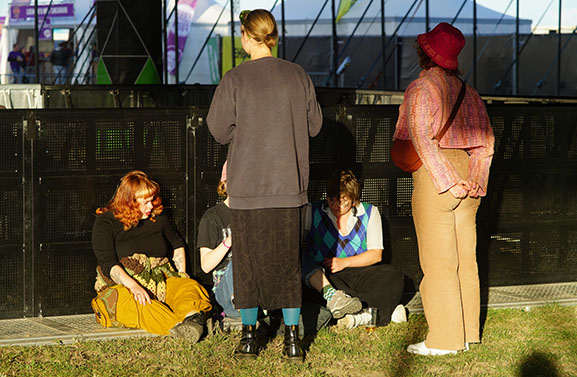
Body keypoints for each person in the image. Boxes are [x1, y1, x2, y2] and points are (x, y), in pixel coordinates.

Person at [206, 9, 322, 361]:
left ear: (245, 36)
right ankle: (292, 341)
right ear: (272, 37)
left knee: (247, 264)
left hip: (247, 190)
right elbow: (315, 126)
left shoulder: (235, 79)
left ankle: (248, 338)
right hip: (289, 187)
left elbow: (218, 129)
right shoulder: (297, 75)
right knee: (288, 263)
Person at [393, 23, 495, 355]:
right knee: (466, 260)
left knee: (439, 263)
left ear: (424, 53)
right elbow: (487, 144)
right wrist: (475, 180)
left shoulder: (423, 88)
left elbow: (421, 137)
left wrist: (448, 181)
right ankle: (467, 334)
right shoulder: (471, 93)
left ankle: (444, 341)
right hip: (468, 177)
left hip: (436, 177)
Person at [91, 170, 212, 342]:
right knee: (138, 304)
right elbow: (107, 262)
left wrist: (182, 275)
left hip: (161, 279)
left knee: (189, 288)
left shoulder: (157, 218)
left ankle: (193, 319)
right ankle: (182, 327)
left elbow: (177, 244)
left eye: (153, 200)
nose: (151, 206)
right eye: (146, 202)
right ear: (129, 202)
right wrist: (133, 286)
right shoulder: (106, 222)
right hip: (124, 283)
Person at [303, 169, 406, 329]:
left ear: (353, 199)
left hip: (359, 273)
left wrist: (344, 262)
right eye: (331, 200)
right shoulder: (313, 211)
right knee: (306, 282)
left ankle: (358, 313)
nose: (336, 206)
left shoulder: (370, 212)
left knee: (393, 276)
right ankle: (381, 310)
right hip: (325, 278)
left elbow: (376, 254)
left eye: (343, 201)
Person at [197, 161, 240, 325]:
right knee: (240, 258)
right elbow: (206, 265)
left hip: (256, 280)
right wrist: (230, 241)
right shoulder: (212, 217)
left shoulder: (255, 215)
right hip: (225, 289)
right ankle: (243, 304)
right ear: (225, 183)